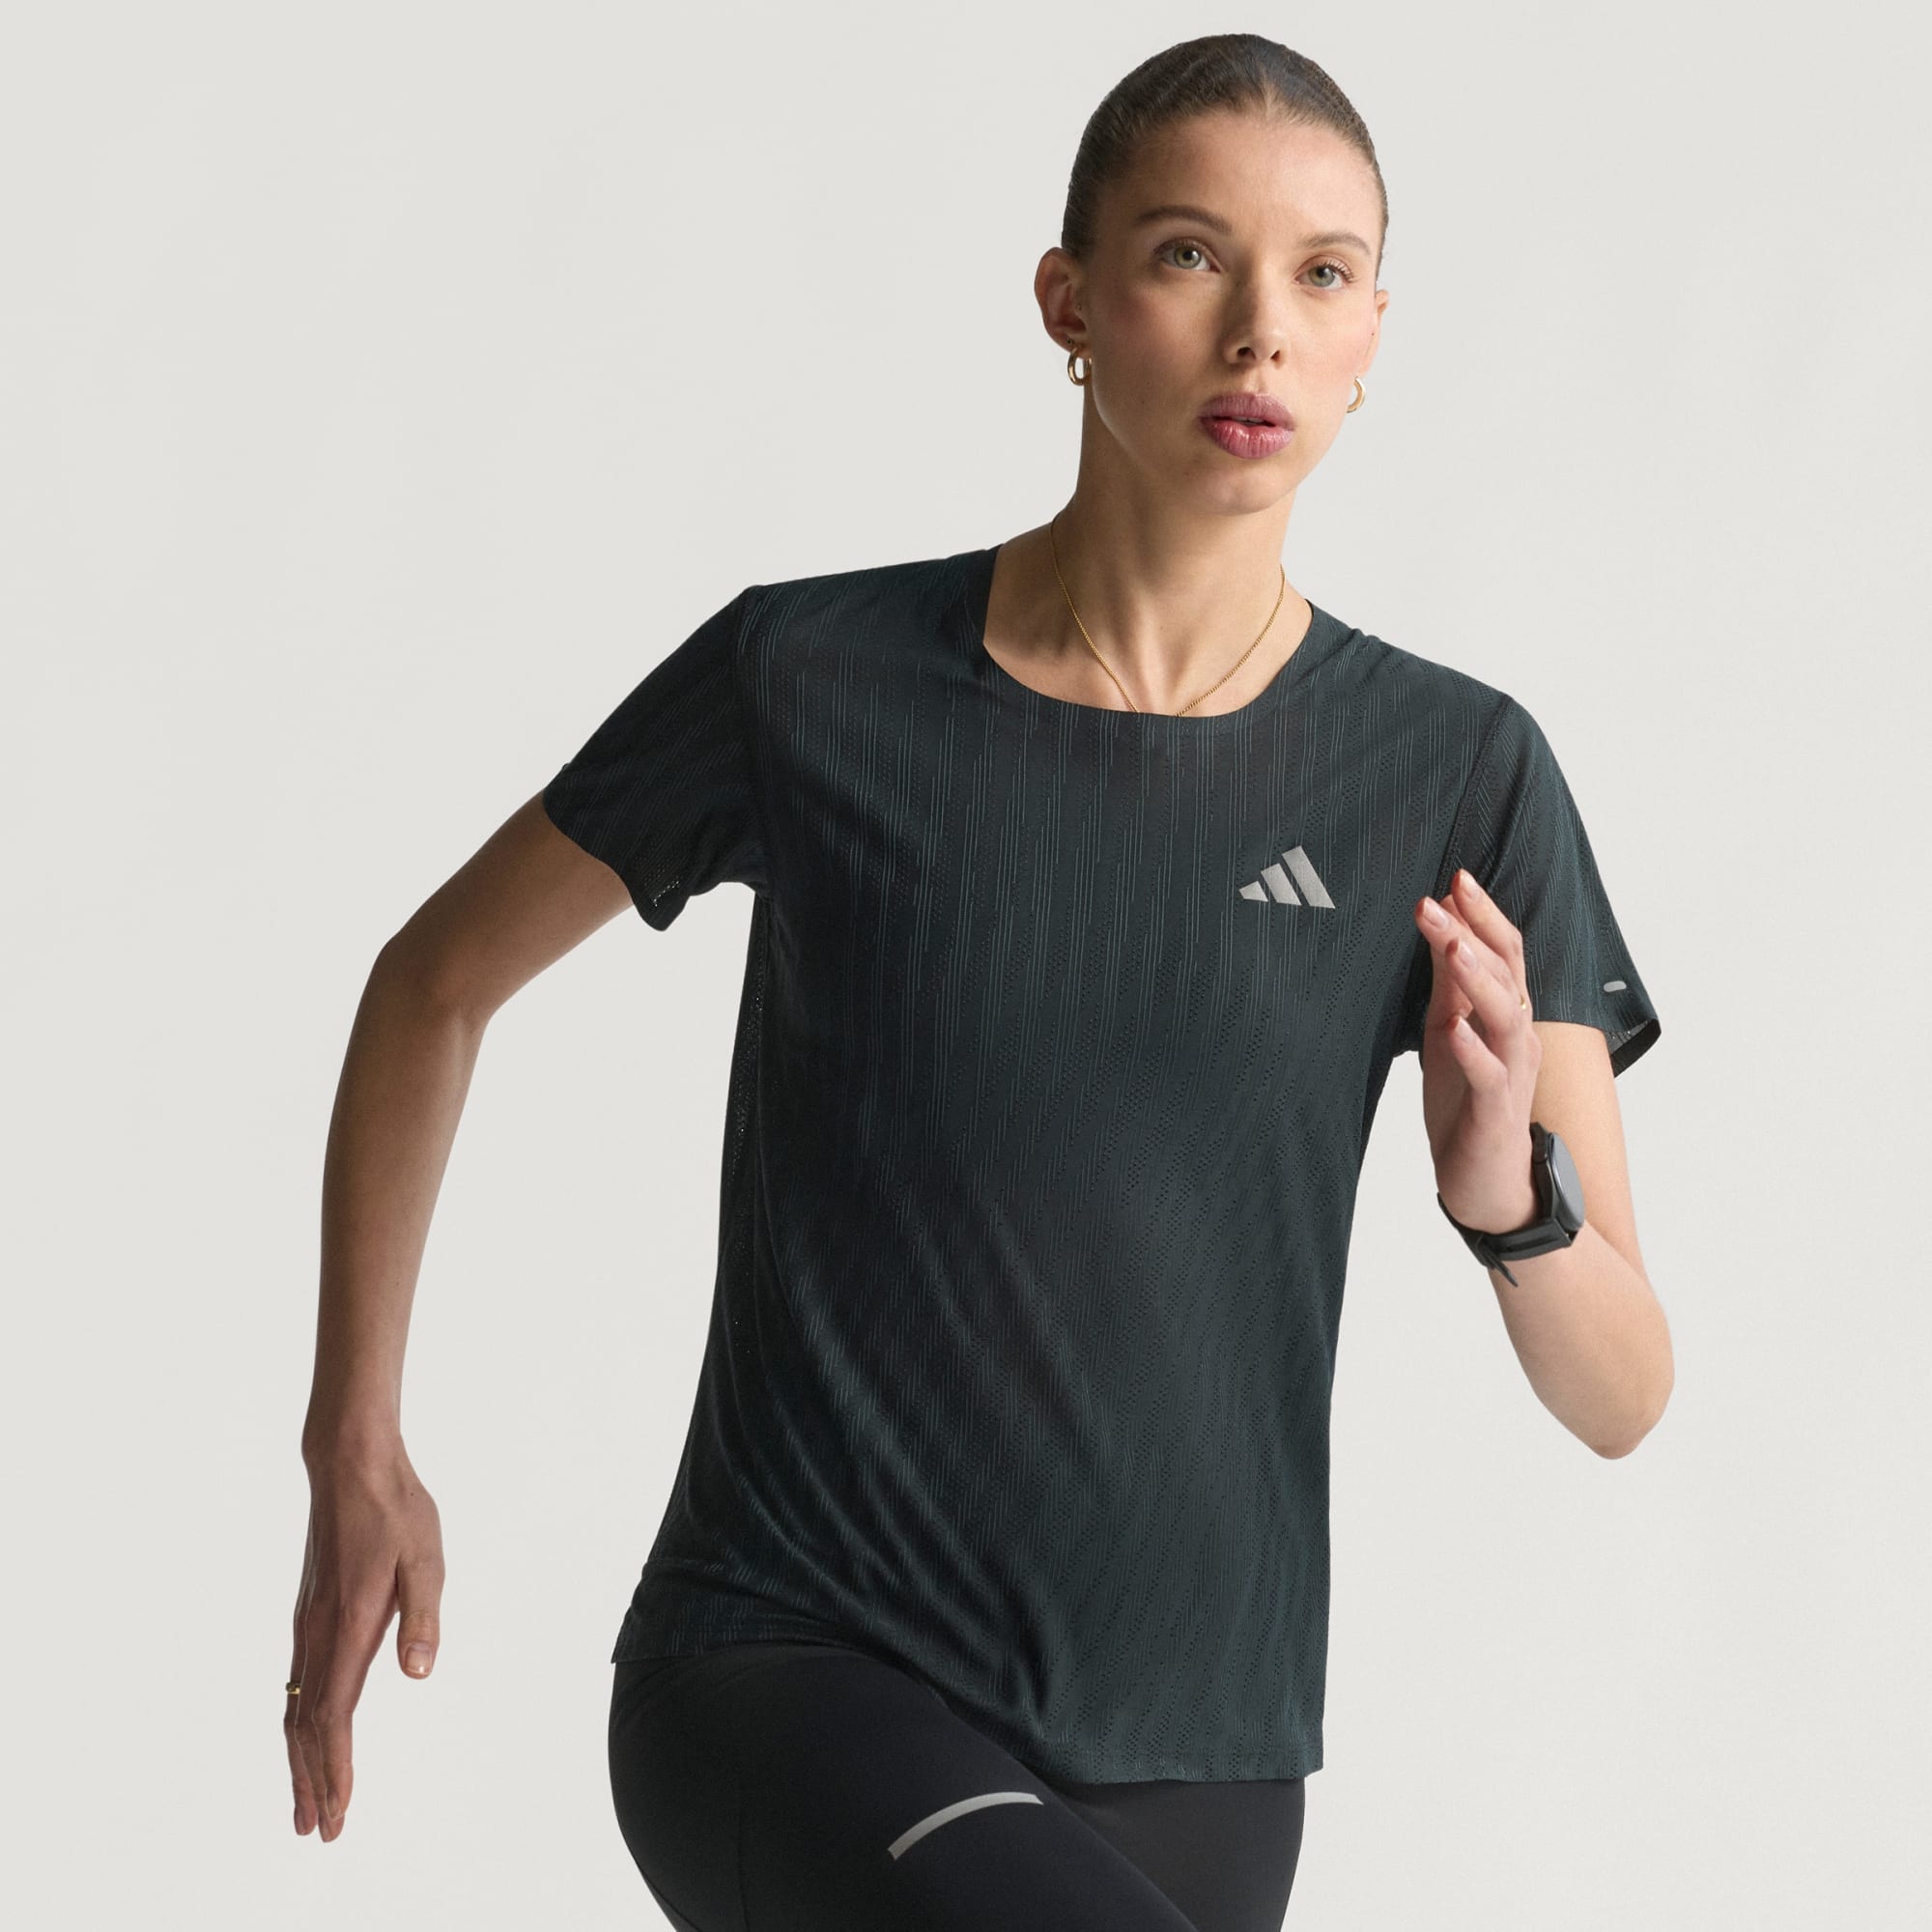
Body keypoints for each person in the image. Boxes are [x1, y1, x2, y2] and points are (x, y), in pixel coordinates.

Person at [285, 33, 1672, 1932]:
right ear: (1070, 302)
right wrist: (352, 1445)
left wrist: (1509, 1196)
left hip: (1204, 1751)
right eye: (1190, 254)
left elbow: (1623, 1391)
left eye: (1323, 273)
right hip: (791, 1667)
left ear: (1371, 337)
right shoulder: (812, 680)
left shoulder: (1455, 773)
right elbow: (431, 982)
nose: (1260, 331)